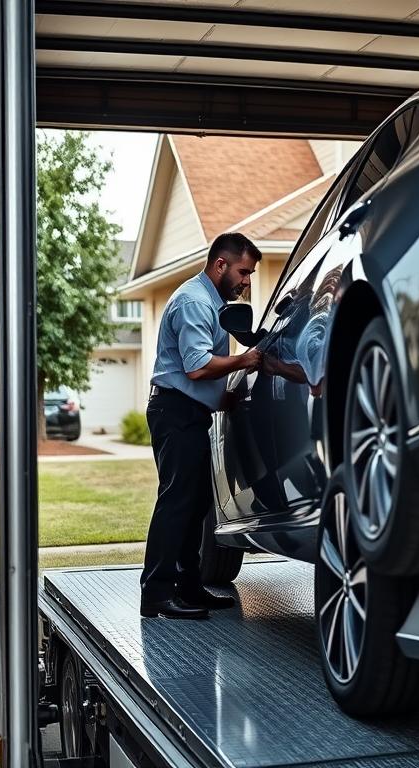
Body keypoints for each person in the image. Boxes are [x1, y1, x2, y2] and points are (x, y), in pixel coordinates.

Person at [140, 233, 263, 619]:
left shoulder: (212, 302)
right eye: (244, 272)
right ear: (220, 265)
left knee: (194, 505)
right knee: (177, 502)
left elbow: (198, 372)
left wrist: (221, 398)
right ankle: (156, 594)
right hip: (174, 412)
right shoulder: (195, 301)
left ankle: (189, 588)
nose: (247, 281)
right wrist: (247, 360)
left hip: (188, 412)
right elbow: (196, 366)